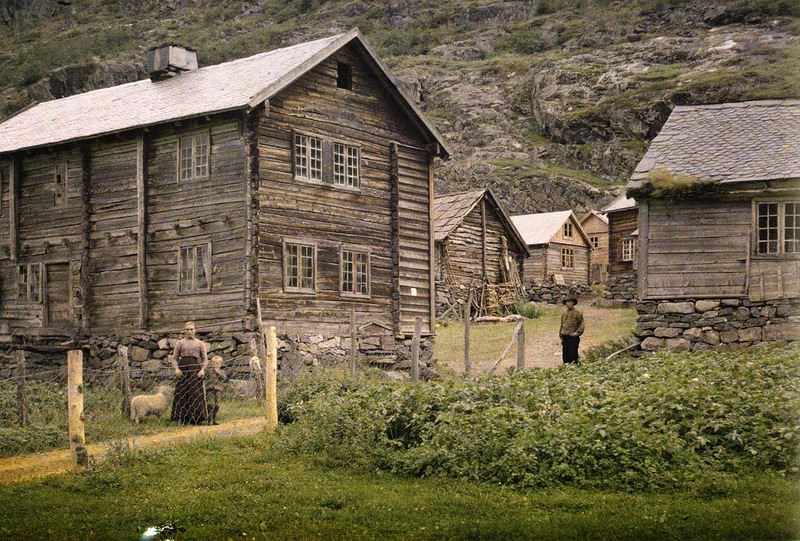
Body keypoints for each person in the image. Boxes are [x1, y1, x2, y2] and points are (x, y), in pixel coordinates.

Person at [170, 321, 209, 425]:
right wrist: (176, 369)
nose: (189, 331)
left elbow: (205, 359)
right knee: (182, 392)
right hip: (183, 368)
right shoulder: (180, 343)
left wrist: (202, 370)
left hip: (195, 369)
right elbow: (174, 358)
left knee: (195, 392)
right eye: (187, 329)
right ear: (184, 331)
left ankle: (196, 418)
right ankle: (181, 418)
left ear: (195, 330)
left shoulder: (200, 343)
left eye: (191, 329)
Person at [559, 295, 584, 364]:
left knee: (573, 355)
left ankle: (574, 369)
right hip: (565, 336)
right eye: (567, 302)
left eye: (570, 301)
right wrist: (561, 336)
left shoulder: (578, 313)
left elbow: (581, 325)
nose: (568, 303)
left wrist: (576, 333)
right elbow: (562, 325)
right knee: (565, 355)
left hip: (573, 337)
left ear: (573, 303)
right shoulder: (564, 313)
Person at [205, 355, 228, 426]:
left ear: (221, 364)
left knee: (217, 405)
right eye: (215, 363)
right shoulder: (209, 371)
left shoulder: (222, 371)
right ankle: (210, 420)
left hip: (218, 389)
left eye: (218, 363)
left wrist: (218, 373)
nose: (216, 365)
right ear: (212, 364)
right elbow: (204, 377)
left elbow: (224, 378)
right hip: (209, 389)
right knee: (210, 404)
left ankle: (214, 419)